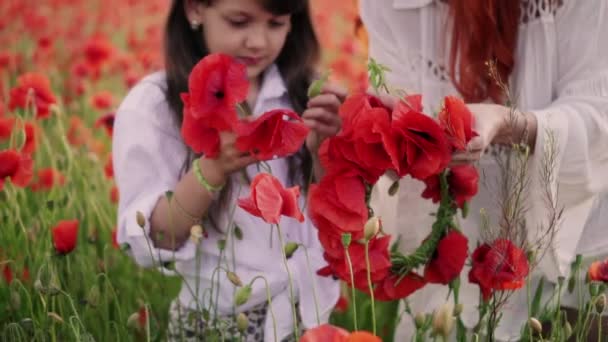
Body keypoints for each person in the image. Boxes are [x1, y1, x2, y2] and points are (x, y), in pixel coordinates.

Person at [360, 0, 608, 340]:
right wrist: (380, 140)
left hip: (580, 262)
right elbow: (394, 126)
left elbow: (599, 117)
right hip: (457, 268)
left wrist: (508, 124)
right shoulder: (391, 5)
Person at [112, 0, 345, 341]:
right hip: (216, 322)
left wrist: (327, 154)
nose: (259, 42)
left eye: (276, 23)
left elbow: (336, 223)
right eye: (239, 22)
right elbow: (156, 238)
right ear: (194, 9)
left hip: (308, 317)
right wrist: (213, 169)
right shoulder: (154, 106)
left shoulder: (307, 94)